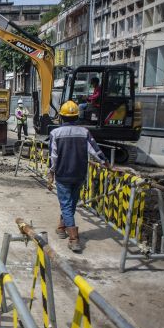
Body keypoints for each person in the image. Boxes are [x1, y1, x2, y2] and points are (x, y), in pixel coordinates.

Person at [47, 100, 109, 253]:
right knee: (71, 203)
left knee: (67, 205)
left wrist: (51, 173)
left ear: (61, 116)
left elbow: (53, 156)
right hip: (79, 174)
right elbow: (95, 150)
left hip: (63, 174)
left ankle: (74, 239)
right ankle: (62, 228)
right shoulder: (84, 132)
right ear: (76, 117)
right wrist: (106, 163)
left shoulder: (55, 133)